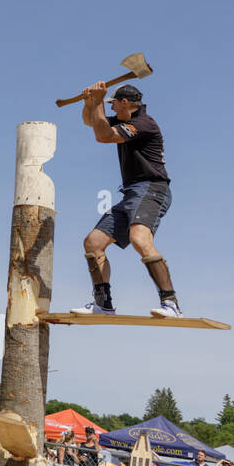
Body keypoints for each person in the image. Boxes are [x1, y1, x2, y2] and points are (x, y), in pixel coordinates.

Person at [71, 82, 181, 319]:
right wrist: (90, 102)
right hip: (131, 192)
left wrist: (99, 101)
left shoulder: (144, 123)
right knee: (93, 242)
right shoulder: (122, 120)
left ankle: (170, 303)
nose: (112, 108)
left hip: (152, 188)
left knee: (140, 239)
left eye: (113, 104)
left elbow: (103, 136)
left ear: (125, 103)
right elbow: (91, 122)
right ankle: (103, 304)